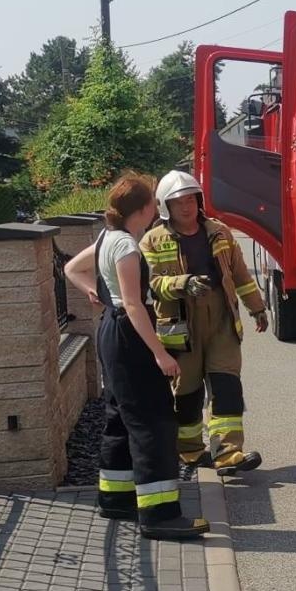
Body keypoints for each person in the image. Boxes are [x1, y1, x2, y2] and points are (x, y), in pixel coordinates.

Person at [62, 174, 208, 540]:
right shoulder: (127, 246)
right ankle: (159, 516)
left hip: (111, 332)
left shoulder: (106, 237)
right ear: (145, 208)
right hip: (129, 336)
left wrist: (96, 293)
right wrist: (160, 354)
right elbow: (133, 304)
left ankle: (116, 499)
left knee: (120, 417)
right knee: (153, 423)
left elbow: (71, 269)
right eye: (154, 203)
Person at [140, 170, 268, 476]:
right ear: (165, 206)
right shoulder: (152, 241)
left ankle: (228, 453)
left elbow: (240, 275)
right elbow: (150, 284)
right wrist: (183, 283)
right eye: (178, 202)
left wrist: (257, 308)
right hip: (181, 326)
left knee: (227, 386)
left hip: (222, 320)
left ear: (199, 200)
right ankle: (191, 451)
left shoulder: (220, 233)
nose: (186, 207)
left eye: (190, 200)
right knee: (187, 393)